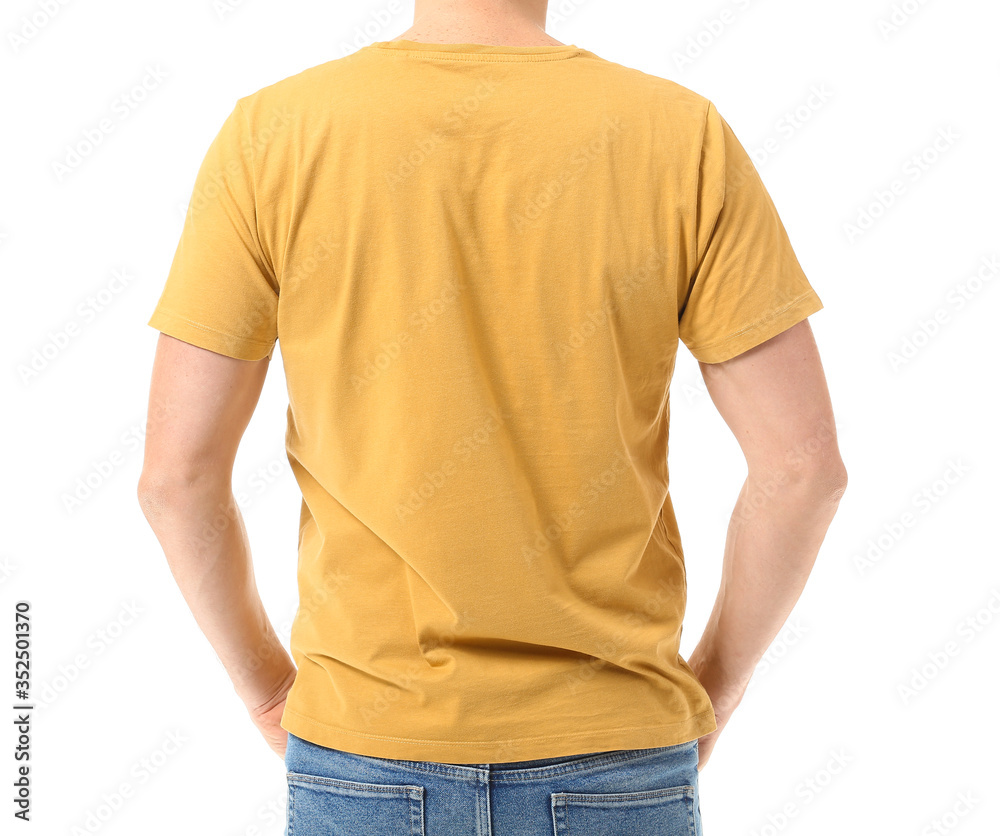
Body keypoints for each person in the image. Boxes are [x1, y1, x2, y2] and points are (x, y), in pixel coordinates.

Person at [136, 1, 848, 833]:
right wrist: (714, 689)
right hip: (617, 755)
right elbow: (802, 470)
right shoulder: (676, 135)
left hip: (364, 753)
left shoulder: (275, 135)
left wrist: (267, 690)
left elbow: (175, 480)